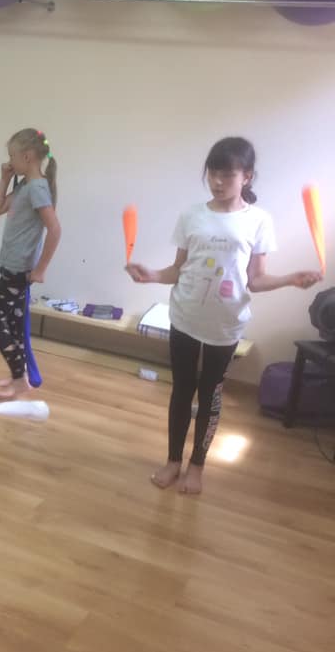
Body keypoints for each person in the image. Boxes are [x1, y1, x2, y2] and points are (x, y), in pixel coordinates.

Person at [126, 136, 321, 495]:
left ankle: (197, 465)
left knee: (210, 393)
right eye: (212, 173)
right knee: (181, 390)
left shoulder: (259, 220)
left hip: (226, 324)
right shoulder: (191, 215)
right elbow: (177, 269)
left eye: (227, 175)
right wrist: (150, 274)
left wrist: (291, 279)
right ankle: (173, 461)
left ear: (246, 176)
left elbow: (256, 280)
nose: (217, 182)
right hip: (185, 316)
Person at [0, 128, 61, 399]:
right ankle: (21, 378)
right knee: (13, 323)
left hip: (18, 270)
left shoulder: (37, 188)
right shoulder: (24, 186)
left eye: (12, 156)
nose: (9, 161)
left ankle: (19, 378)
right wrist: (4, 178)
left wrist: (40, 269)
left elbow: (55, 230)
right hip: (12, 266)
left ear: (27, 157)